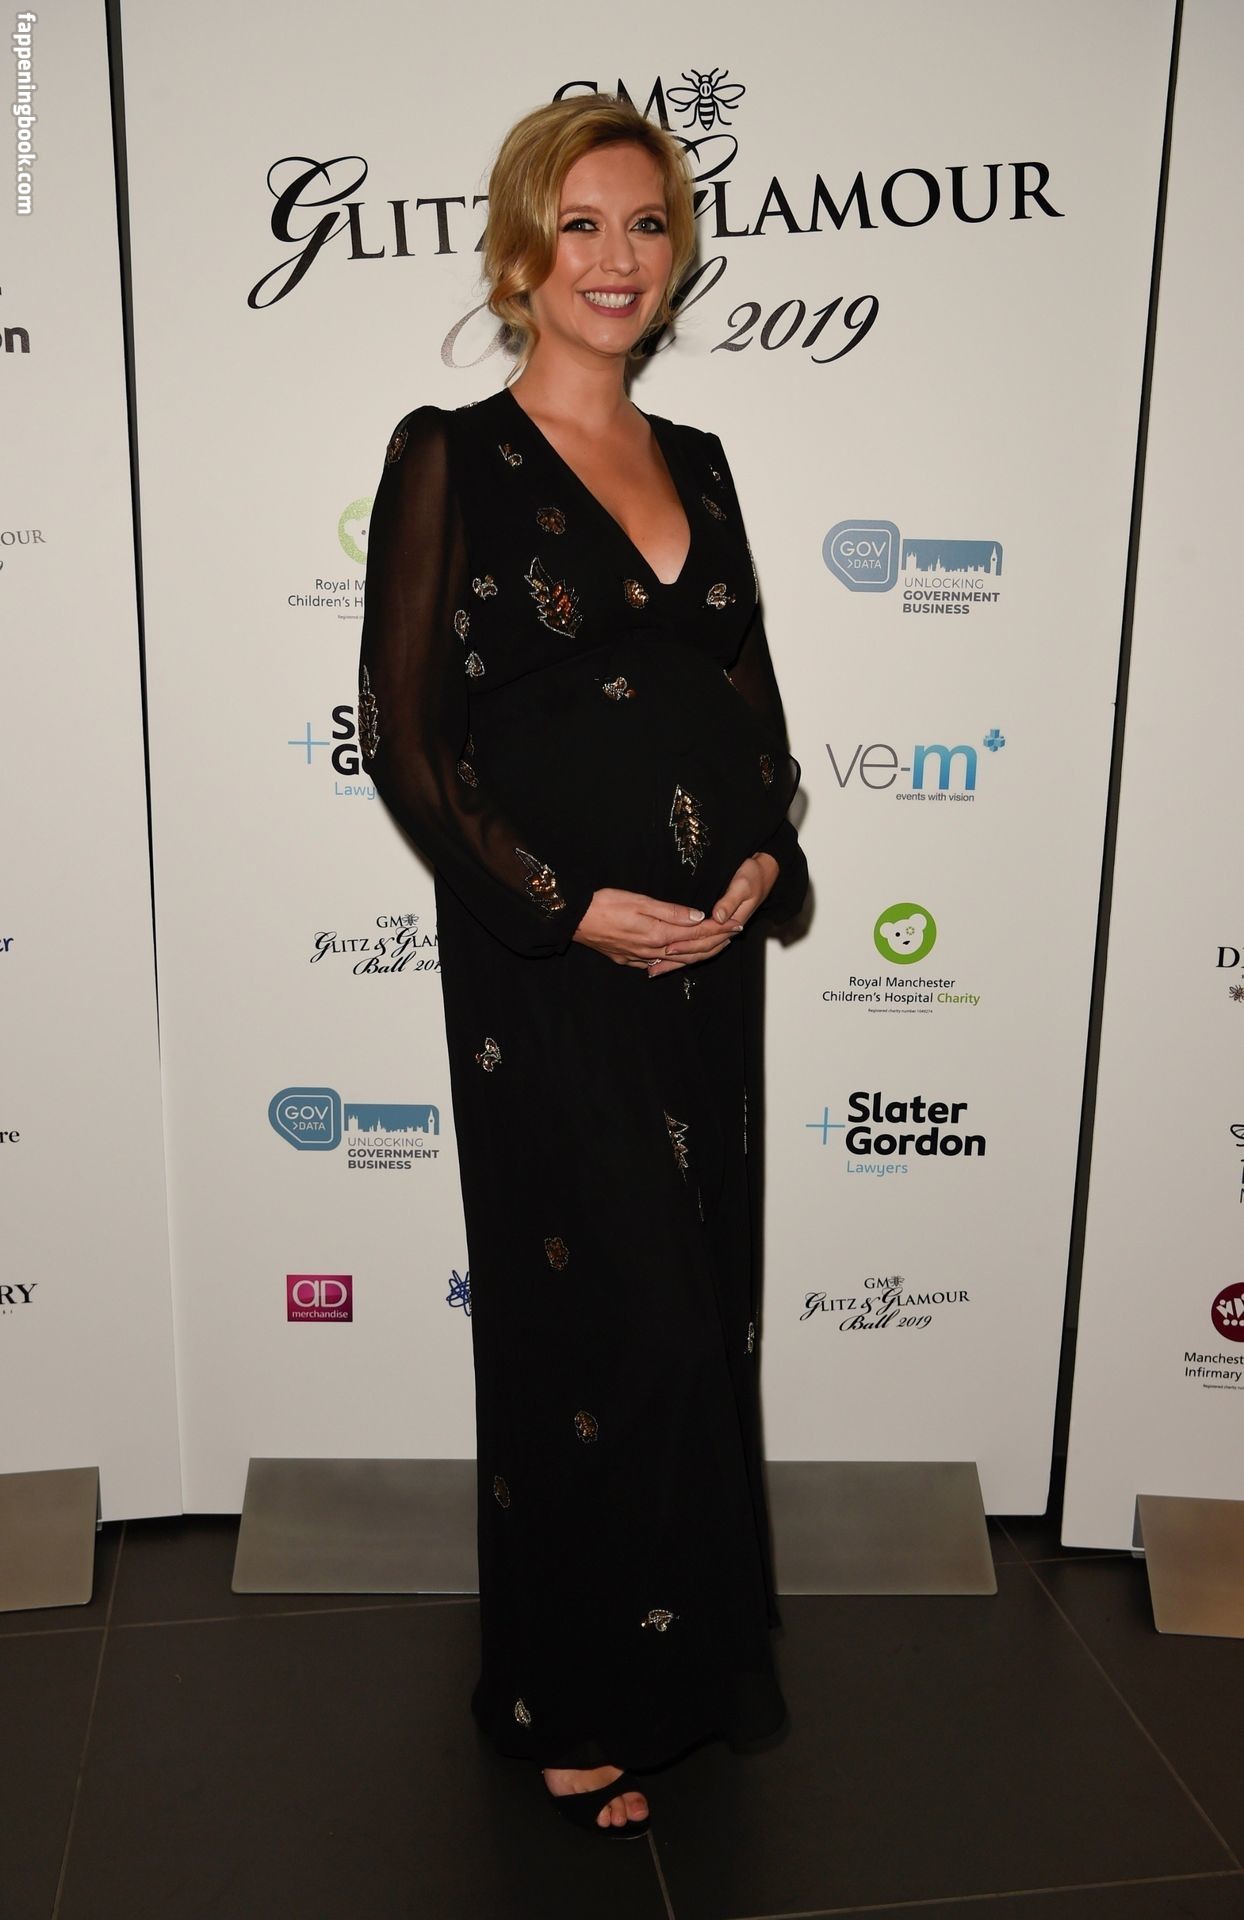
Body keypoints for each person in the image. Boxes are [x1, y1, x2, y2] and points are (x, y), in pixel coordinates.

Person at [357, 92, 809, 1839]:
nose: (618, 258)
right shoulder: (451, 456)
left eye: (649, 224)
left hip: (708, 962)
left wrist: (765, 858)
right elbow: (410, 741)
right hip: (548, 973)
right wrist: (558, 904)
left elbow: (750, 703)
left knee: (698, 1324)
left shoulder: (703, 458)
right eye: (584, 224)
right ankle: (561, 1694)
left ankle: (682, 1672)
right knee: (596, 1331)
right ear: (523, 251)